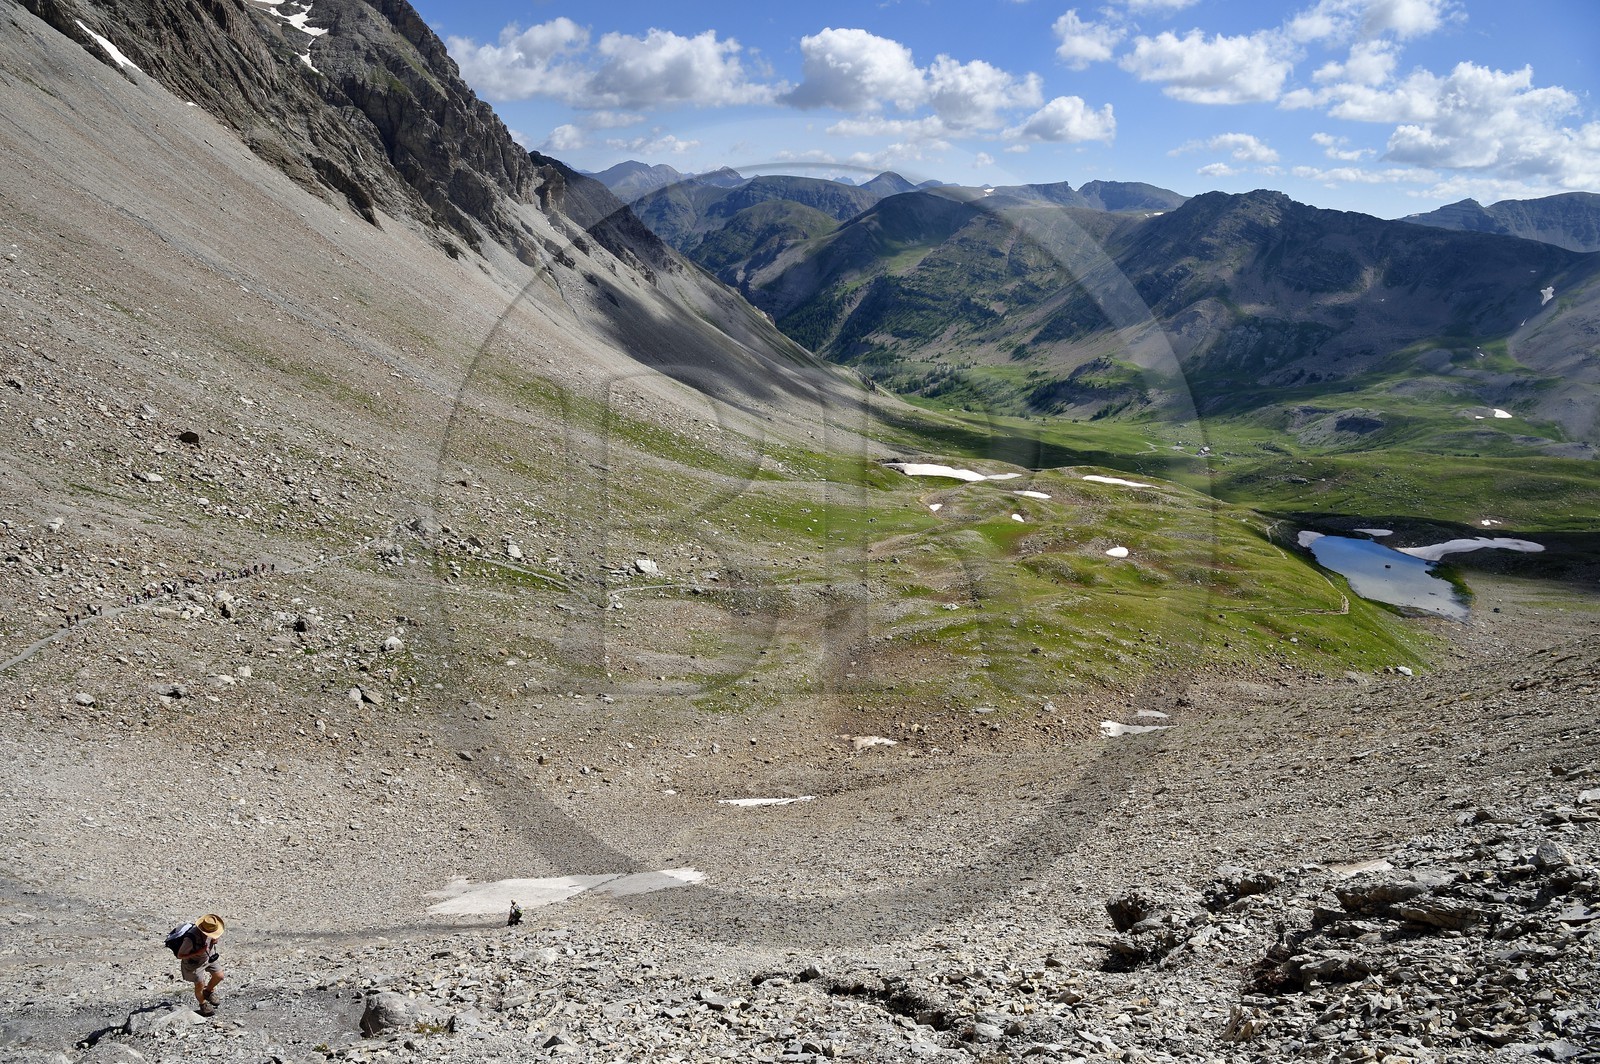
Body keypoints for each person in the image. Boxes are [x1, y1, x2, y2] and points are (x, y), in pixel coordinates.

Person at [175, 913, 226, 1015]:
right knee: (199, 984)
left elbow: (211, 938)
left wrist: (214, 940)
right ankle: (203, 1004)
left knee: (219, 976)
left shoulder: (209, 931)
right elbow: (179, 955)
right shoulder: (190, 939)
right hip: (194, 964)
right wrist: (197, 953)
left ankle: (208, 991)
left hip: (208, 957)